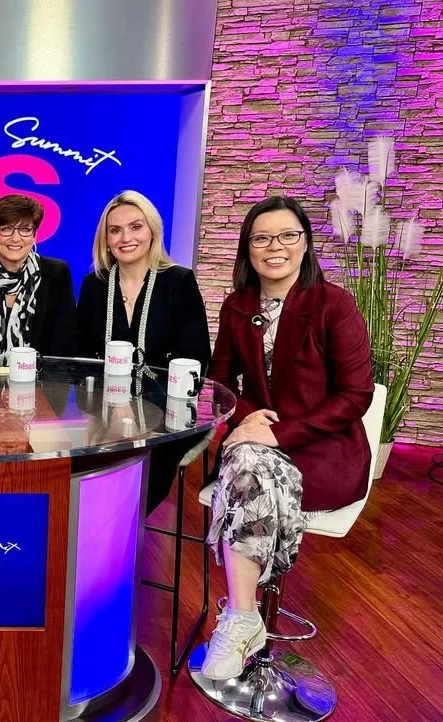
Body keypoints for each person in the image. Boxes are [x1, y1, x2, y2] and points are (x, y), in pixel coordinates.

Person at [200, 196, 374, 679]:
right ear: (247, 249)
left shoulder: (333, 303)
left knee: (246, 465)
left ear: (305, 243)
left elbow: (356, 394)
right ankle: (243, 614)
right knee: (249, 463)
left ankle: (240, 618)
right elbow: (219, 382)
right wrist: (252, 418)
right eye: (261, 238)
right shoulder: (237, 306)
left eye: (287, 235)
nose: (274, 247)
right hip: (259, 443)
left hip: (322, 450)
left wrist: (280, 433)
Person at [75, 190, 211, 514]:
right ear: (106, 239)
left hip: (167, 416)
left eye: (136, 227)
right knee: (76, 467)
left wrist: (141, 416)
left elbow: (196, 359)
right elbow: (77, 358)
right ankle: (84, 539)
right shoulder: (94, 285)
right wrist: (107, 412)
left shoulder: (178, 281)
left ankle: (118, 540)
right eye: (115, 230)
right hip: (100, 413)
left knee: (135, 475)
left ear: (152, 230)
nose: (126, 238)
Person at [0, 194, 76, 356]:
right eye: (6, 229)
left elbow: (65, 339)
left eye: (25, 230)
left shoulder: (57, 273)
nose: (16, 238)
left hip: (42, 378)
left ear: (35, 235)